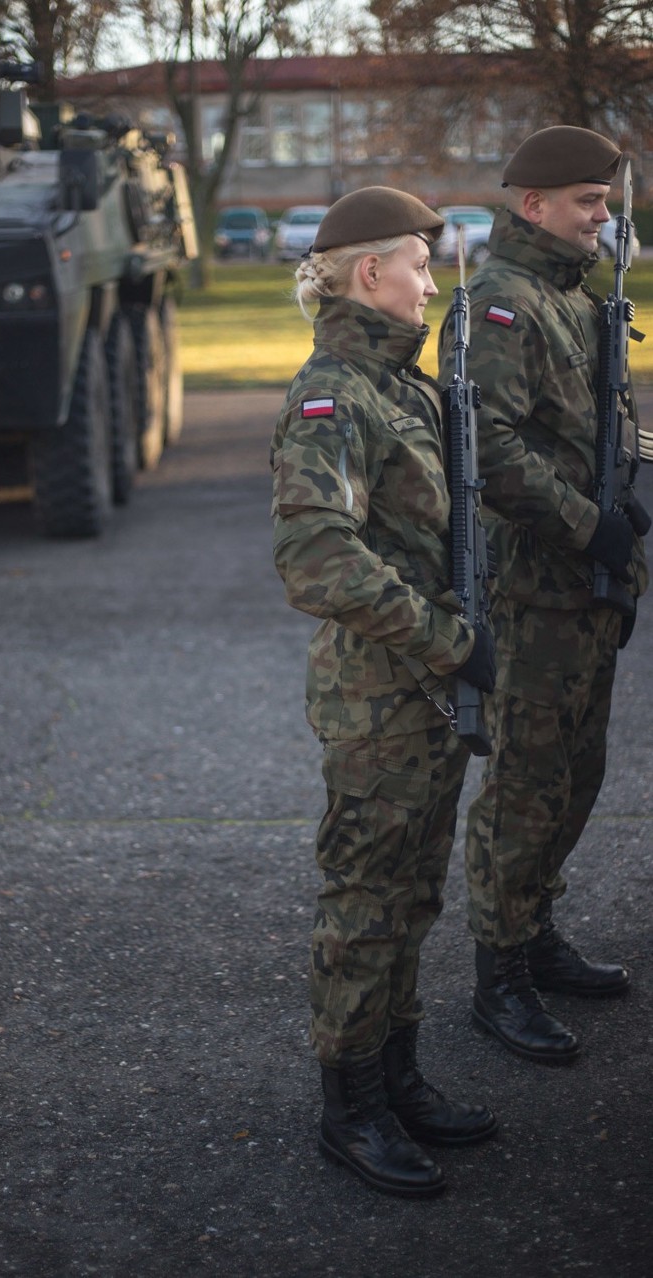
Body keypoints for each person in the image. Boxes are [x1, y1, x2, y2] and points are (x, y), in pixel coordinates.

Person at [270, 186, 498, 1199]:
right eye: (419, 263)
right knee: (366, 903)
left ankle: (396, 1080)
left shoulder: (401, 386)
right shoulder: (335, 393)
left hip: (423, 692)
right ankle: (350, 1108)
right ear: (371, 273)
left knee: (411, 895)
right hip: (380, 697)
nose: (432, 281)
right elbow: (315, 557)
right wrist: (450, 640)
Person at [437, 126, 650, 1064]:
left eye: (605, 205)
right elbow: (492, 456)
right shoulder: (501, 306)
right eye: (586, 205)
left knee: (577, 777)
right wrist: (587, 523)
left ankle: (535, 929)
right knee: (524, 788)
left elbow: (600, 427)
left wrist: (623, 518)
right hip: (533, 590)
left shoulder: (573, 299)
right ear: (533, 206)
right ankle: (500, 973)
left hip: (585, 588)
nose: (602, 221)